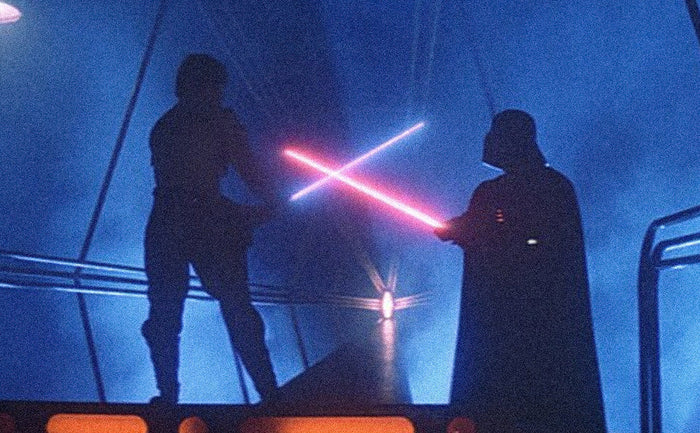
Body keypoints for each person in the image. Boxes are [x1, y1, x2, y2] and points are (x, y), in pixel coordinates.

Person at [435, 110, 607, 432]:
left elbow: (541, 245)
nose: (488, 141)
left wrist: (476, 231)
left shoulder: (550, 189)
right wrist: (468, 230)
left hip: (533, 327)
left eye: (496, 134)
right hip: (505, 325)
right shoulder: (546, 187)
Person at [142, 54, 279, 405]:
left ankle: (168, 395)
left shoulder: (164, 126)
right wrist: (273, 202)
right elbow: (246, 168)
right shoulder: (219, 121)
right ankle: (270, 393)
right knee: (237, 307)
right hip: (207, 220)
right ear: (209, 87)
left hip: (166, 219)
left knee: (165, 313)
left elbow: (177, 181)